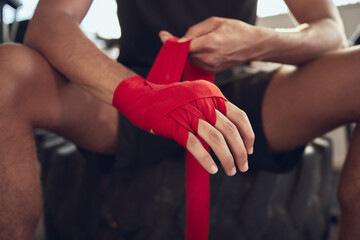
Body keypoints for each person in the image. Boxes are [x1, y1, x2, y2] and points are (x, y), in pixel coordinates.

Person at [0, 0, 359, 239]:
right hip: (127, 92)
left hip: (236, 96)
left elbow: (330, 31)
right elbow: (48, 23)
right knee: (8, 71)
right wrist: (139, 95)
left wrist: (259, 42)